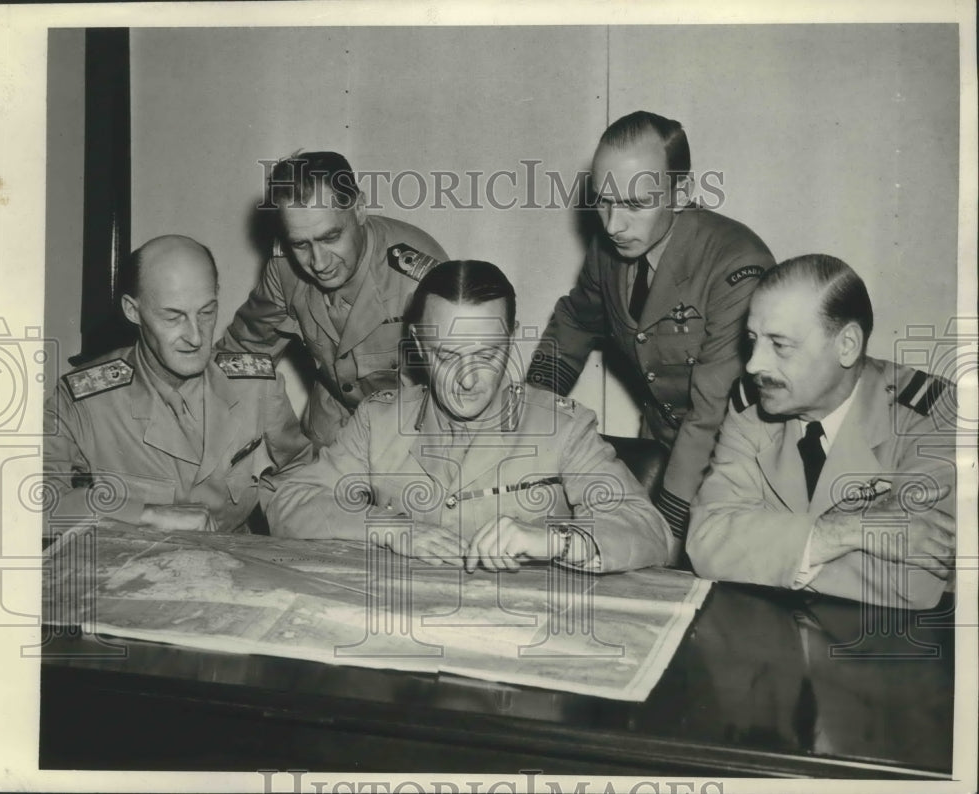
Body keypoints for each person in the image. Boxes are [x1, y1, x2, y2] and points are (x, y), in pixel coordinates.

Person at [268, 260, 676, 573]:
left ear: (510, 338)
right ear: (419, 347)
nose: (467, 380)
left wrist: (553, 539)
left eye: (487, 355)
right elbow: (290, 504)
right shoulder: (379, 421)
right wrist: (390, 529)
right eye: (446, 356)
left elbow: (650, 531)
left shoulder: (562, 428)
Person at [527, 111, 775, 541]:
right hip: (662, 448)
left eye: (636, 205)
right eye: (603, 201)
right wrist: (529, 417)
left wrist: (667, 525)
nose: (612, 225)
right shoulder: (611, 250)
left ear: (681, 194)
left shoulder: (736, 265)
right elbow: (574, 323)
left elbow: (711, 414)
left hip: (739, 466)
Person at [687, 255, 957, 609]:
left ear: (846, 345)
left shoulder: (933, 415)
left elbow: (914, 583)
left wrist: (770, 554)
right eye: (752, 340)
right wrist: (852, 530)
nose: (754, 364)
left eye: (779, 345)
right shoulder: (753, 409)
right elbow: (706, 545)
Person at [44, 235, 312, 534]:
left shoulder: (257, 384)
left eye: (207, 312)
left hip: (235, 565)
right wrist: (147, 515)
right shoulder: (83, 401)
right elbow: (28, 504)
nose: (196, 337)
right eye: (174, 317)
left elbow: (298, 475)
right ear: (133, 311)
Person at [218, 151, 448, 449]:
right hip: (329, 433)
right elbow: (244, 353)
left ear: (360, 210)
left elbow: (456, 387)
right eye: (300, 244)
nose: (318, 262)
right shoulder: (284, 268)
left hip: (408, 436)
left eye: (330, 238)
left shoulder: (419, 279)